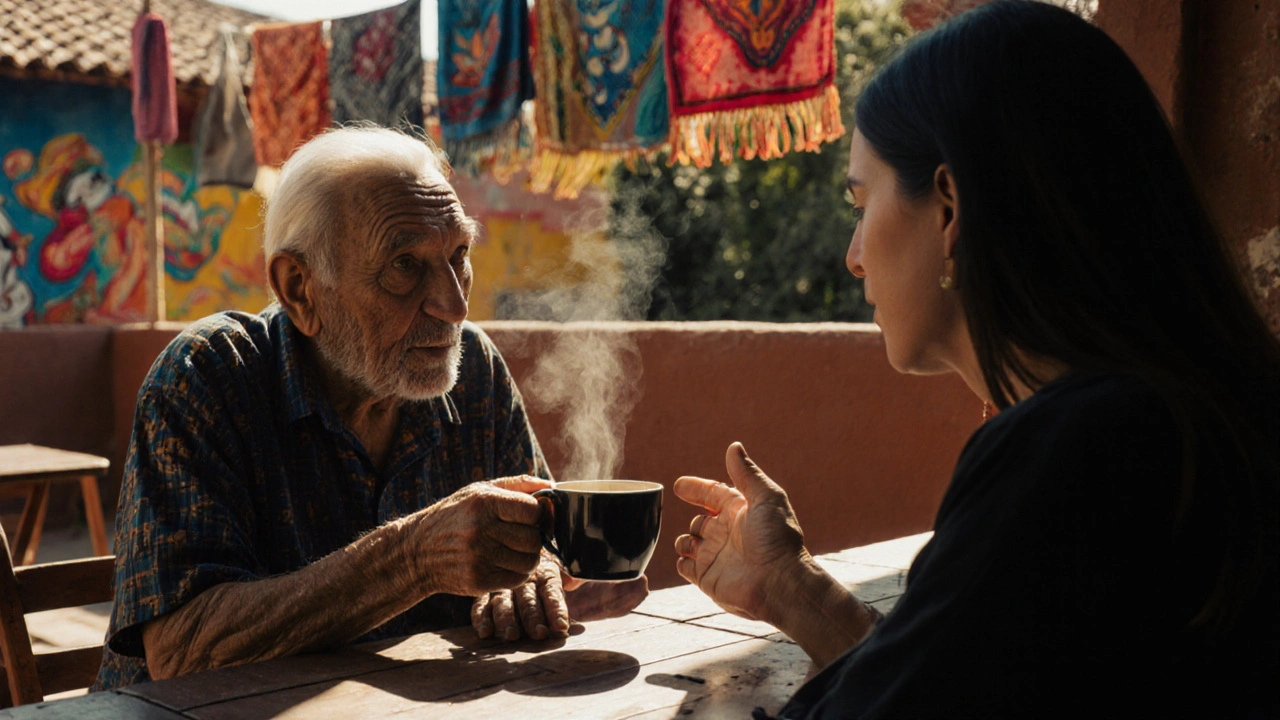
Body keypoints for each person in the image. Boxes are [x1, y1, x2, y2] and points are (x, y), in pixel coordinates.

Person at [672, 2, 1280, 717]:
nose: (854, 256)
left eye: (862, 205)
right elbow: (966, 682)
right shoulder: (1184, 415)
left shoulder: (1079, 452)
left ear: (951, 206)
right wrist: (791, 589)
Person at [94, 127, 647, 691]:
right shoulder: (206, 379)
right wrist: (410, 558)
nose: (454, 306)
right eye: (404, 265)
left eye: (459, 255)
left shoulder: (474, 371)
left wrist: (531, 577)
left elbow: (540, 551)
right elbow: (183, 654)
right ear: (299, 289)